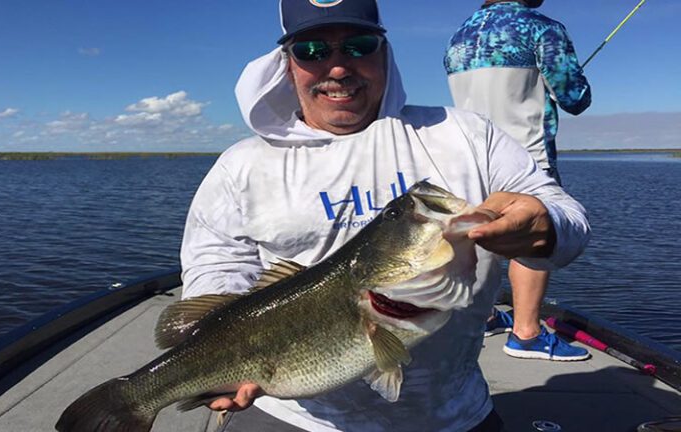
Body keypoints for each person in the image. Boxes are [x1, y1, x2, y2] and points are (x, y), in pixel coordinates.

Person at [180, 0, 590, 430]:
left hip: (454, 415)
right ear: (287, 65)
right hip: (293, 414)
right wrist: (218, 349)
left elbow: (570, 222)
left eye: (359, 46)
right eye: (313, 52)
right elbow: (218, 264)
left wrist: (546, 225)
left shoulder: (466, 135)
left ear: (385, 53)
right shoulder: (241, 164)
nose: (338, 68)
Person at [444, 0, 592, 361]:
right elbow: (574, 97)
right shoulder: (542, 28)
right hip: (525, 157)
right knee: (529, 235)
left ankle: (487, 315)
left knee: (482, 232)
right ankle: (526, 333)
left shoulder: (459, 35)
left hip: (471, 157)